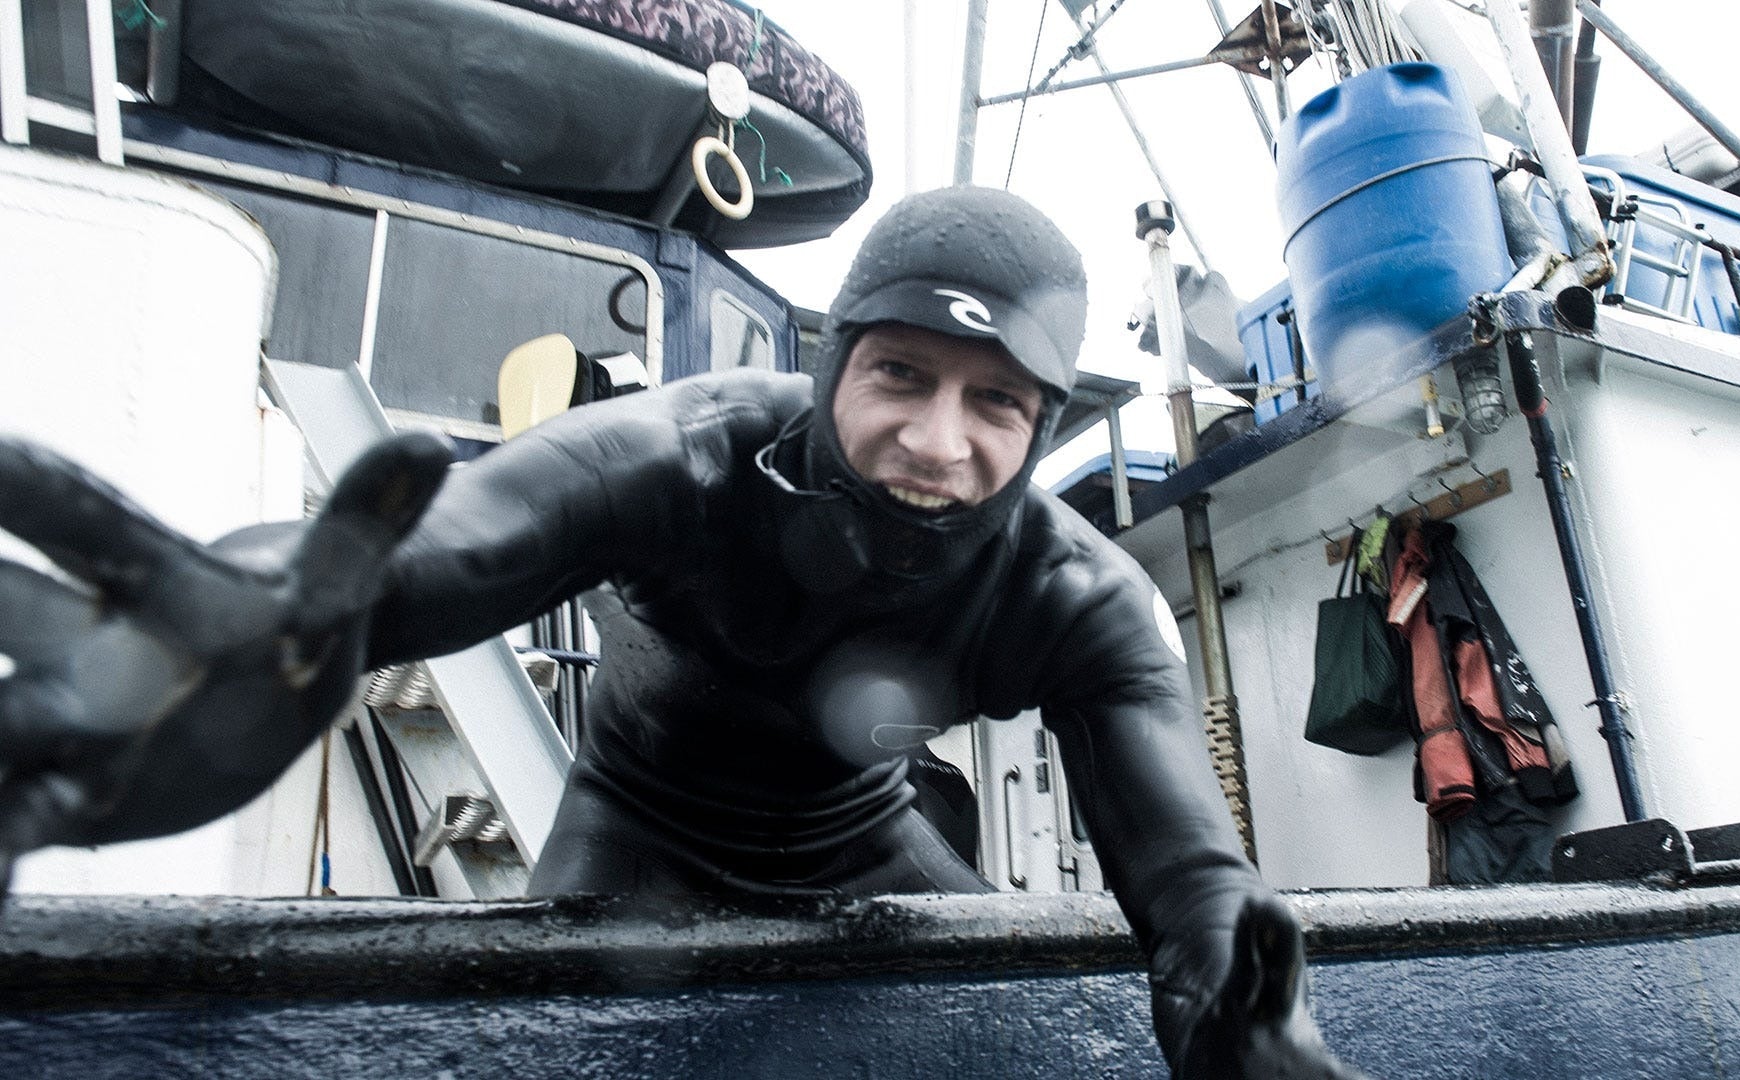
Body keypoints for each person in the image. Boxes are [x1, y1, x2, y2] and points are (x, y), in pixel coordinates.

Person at [0, 186, 1363, 1079]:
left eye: (996, 404)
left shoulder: (1076, 598)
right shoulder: (683, 459)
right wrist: (262, 622)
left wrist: (1242, 1016)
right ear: (833, 363)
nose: (935, 444)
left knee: (1022, 1046)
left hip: (866, 852)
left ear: (1042, 426)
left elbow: (1191, 882)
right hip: (634, 833)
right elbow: (426, 553)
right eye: (900, 374)